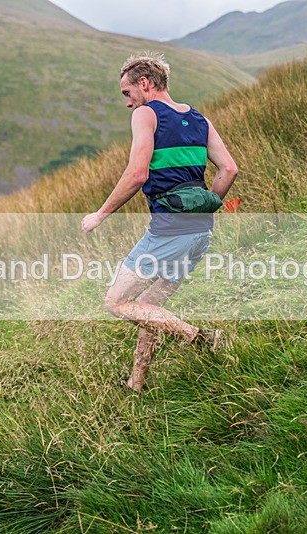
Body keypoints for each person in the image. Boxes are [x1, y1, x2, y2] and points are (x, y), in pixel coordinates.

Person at [82, 52, 238, 392]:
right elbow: (229, 169)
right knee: (148, 307)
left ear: (144, 83)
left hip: (168, 232)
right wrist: (202, 205)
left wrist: (100, 214)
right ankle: (136, 384)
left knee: (117, 302)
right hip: (200, 234)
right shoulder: (200, 119)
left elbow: (137, 174)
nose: (127, 102)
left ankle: (201, 338)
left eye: (127, 92)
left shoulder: (146, 114)